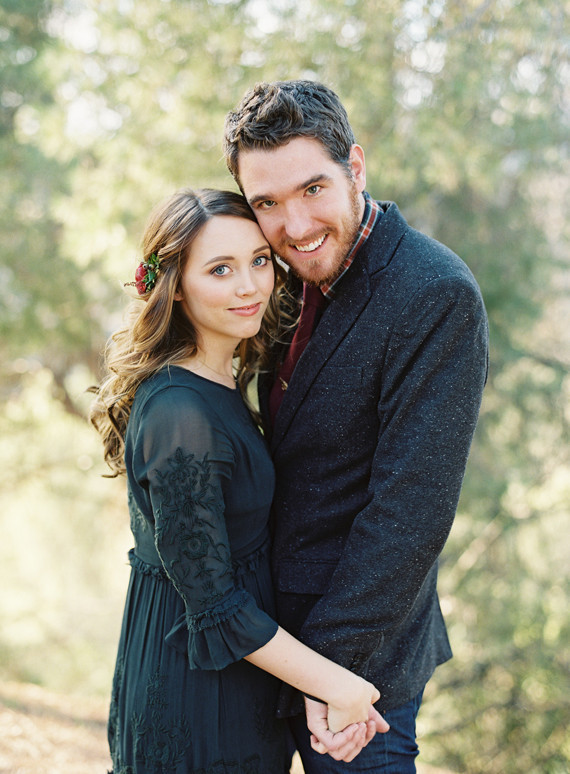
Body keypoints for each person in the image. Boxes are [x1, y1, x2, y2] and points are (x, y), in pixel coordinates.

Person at [223, 80, 489, 772]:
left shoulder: (434, 293)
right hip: (266, 644)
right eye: (267, 203)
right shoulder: (275, 278)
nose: (294, 224)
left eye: (313, 189)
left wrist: (329, 674)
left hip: (361, 670)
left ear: (356, 168)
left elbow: (410, 513)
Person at [89, 187, 388, 773]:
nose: (250, 286)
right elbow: (215, 604)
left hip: (239, 679)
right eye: (220, 269)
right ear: (175, 285)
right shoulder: (180, 413)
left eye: (259, 261)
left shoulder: (223, 378)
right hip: (194, 698)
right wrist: (335, 683)